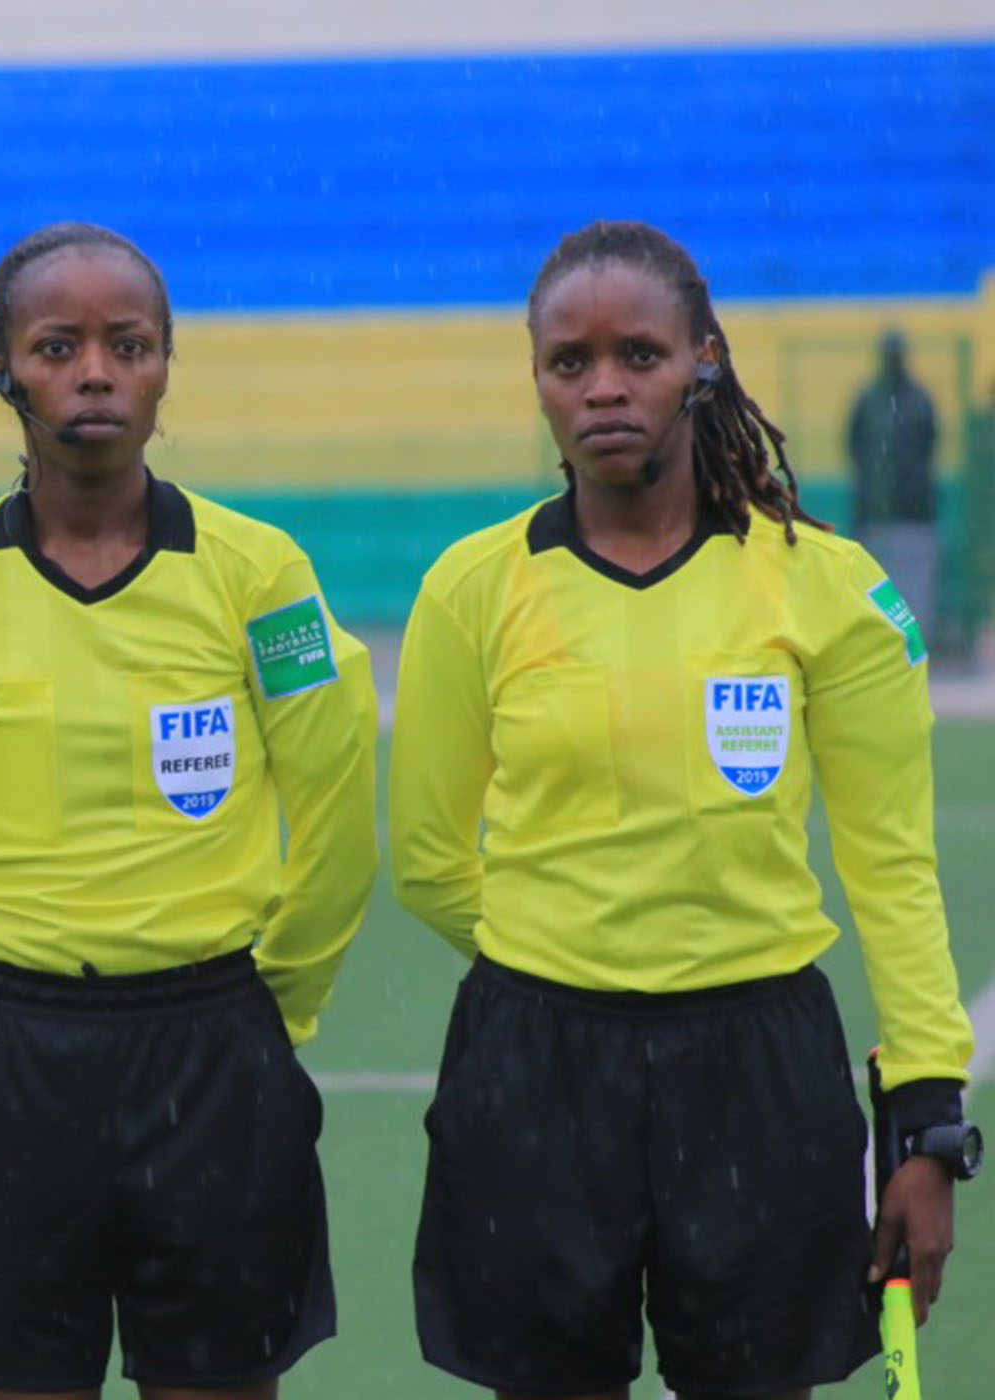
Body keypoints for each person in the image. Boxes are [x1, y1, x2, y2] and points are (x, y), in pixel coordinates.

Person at [391, 219, 979, 1400]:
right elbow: (427, 856)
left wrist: (926, 1120)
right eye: (570, 361)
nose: (604, 387)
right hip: (536, 1067)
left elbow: (892, 868)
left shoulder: (828, 587)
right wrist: (567, 959)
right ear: (538, 377)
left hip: (758, 1068)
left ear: (703, 360)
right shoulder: (472, 588)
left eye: (640, 355)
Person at [0, 222, 377, 1400]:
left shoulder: (260, 574)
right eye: (57, 346)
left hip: (214, 1051)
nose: (94, 372)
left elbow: (335, 808)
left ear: (166, 365)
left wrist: (276, 1004)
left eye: (128, 345)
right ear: (1, 368)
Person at [847, 328, 942, 650]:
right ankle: (881, 646)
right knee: (876, 587)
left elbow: (929, 444)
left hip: (912, 511)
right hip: (876, 510)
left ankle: (913, 646)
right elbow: (855, 446)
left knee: (911, 587)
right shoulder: (870, 400)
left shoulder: (917, 399)